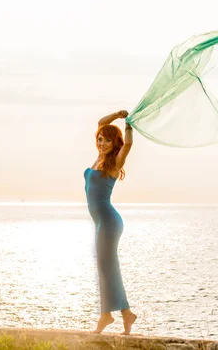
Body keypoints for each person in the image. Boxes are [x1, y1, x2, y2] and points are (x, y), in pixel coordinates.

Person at [83, 109, 137, 335]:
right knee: (107, 268)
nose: (102, 142)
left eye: (106, 139)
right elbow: (100, 122)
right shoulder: (99, 158)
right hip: (101, 223)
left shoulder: (114, 162)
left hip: (108, 221)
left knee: (106, 268)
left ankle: (107, 315)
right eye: (99, 139)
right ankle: (124, 314)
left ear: (113, 142)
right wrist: (116, 114)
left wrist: (128, 125)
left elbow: (128, 146)